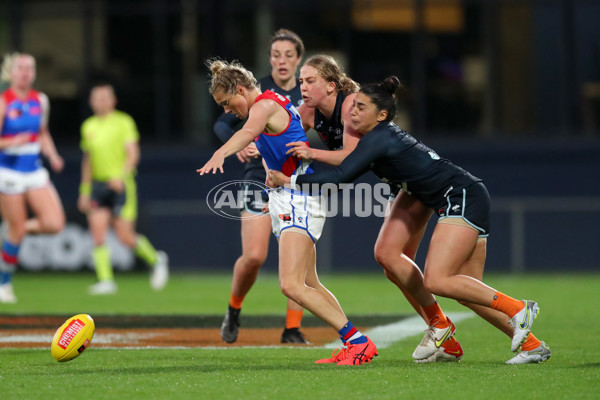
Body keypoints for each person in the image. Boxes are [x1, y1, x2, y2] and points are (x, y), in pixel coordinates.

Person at [270, 76, 551, 364]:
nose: (352, 112)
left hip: (461, 196)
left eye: (361, 108)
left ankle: (518, 308)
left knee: (439, 279)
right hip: (441, 195)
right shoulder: (375, 137)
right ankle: (530, 345)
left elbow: (341, 176)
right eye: (353, 105)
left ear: (381, 115)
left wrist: (289, 179)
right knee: (462, 289)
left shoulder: (378, 137)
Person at [198, 59, 378, 365]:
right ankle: (355, 342)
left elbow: (248, 132)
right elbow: (271, 148)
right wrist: (273, 191)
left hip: (300, 200)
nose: (227, 111)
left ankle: (357, 341)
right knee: (309, 284)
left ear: (241, 89)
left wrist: (220, 152)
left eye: (227, 103)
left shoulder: (263, 106)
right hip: (291, 198)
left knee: (291, 285)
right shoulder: (269, 104)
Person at [288, 54, 464, 363]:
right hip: (402, 183)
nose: (302, 86)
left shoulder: (348, 108)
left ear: (331, 86)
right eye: (301, 81)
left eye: (309, 80)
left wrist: (307, 158)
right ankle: (445, 333)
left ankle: (467, 323)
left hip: (415, 180)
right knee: (393, 265)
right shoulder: (308, 111)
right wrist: (256, 139)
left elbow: (351, 159)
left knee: (401, 263)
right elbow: (283, 130)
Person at [213, 29, 309, 344]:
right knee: (254, 256)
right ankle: (234, 308)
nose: (282, 60)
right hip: (258, 175)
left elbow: (318, 127)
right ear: (269, 59)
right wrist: (238, 144)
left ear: (298, 59)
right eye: (276, 54)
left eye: (288, 55)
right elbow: (222, 123)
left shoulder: (308, 93)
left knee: (297, 257)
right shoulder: (256, 89)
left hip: (294, 178)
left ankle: (292, 330)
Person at [78, 83, 169, 295]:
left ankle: (156, 259)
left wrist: (121, 176)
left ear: (113, 100)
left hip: (121, 185)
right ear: (91, 102)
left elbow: (132, 154)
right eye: (96, 98)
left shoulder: (123, 122)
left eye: (104, 97)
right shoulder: (88, 126)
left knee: (125, 236)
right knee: (98, 233)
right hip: (98, 186)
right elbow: (87, 161)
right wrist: (84, 190)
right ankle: (106, 280)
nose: (100, 101)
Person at [0, 52, 65, 304]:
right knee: (17, 228)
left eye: (30, 68)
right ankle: (4, 284)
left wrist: (53, 154)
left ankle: (11, 229)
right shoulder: (4, 101)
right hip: (8, 172)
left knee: (54, 223)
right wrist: (11, 141)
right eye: (21, 68)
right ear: (12, 72)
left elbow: (43, 133)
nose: (26, 72)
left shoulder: (41, 100)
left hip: (34, 170)